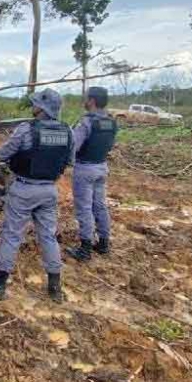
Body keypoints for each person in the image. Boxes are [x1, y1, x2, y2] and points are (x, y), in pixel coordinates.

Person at [0, 88, 71, 302]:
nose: (33, 106)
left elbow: (4, 153)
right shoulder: (68, 131)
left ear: (41, 108)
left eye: (35, 103)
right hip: (49, 190)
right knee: (48, 236)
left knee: (12, 234)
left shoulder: (26, 129)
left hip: (24, 188)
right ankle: (55, 288)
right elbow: (69, 160)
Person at [67, 85, 118, 262]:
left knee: (84, 208)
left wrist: (65, 162)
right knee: (100, 205)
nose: (84, 100)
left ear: (92, 101)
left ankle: (85, 248)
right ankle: (103, 243)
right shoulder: (111, 121)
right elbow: (110, 145)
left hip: (85, 169)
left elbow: (73, 146)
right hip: (102, 167)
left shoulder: (87, 122)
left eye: (86, 97)